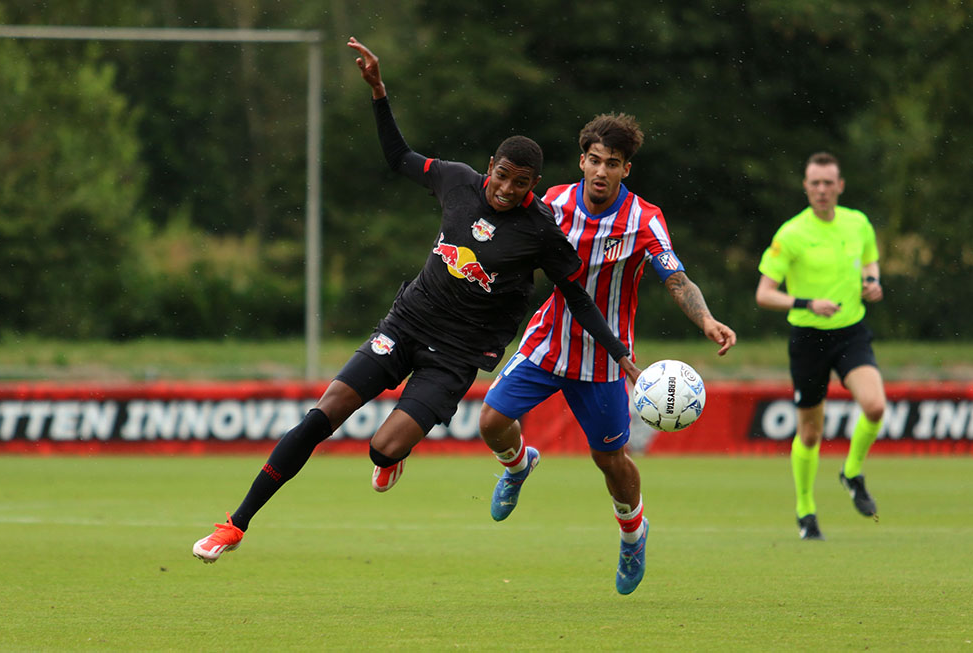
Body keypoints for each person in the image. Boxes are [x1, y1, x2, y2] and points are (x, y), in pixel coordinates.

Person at [192, 37, 642, 563]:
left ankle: (392, 456)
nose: (504, 189)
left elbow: (579, 299)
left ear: (533, 186)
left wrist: (619, 355)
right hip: (407, 323)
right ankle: (235, 524)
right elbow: (398, 157)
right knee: (323, 415)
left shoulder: (541, 230)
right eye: (500, 175)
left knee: (381, 446)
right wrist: (379, 92)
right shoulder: (455, 180)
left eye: (520, 184)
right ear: (489, 165)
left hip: (455, 357)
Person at [478, 113, 737, 595]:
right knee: (490, 421)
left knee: (610, 460)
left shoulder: (644, 219)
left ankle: (633, 533)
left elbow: (675, 278)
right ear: (581, 160)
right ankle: (518, 467)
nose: (601, 171)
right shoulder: (551, 203)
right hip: (546, 344)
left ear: (625, 170)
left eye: (612, 163)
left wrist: (706, 320)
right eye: (594, 160)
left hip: (606, 362)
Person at [756, 151, 885, 541]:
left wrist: (873, 282)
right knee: (810, 433)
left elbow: (869, 262)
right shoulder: (791, 234)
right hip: (808, 339)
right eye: (816, 183)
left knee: (876, 406)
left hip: (851, 333)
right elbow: (764, 294)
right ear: (806, 188)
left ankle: (851, 472)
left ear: (840, 186)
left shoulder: (858, 223)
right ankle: (805, 511)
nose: (823, 190)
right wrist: (807, 303)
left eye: (829, 183)